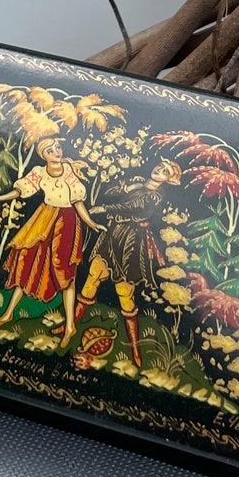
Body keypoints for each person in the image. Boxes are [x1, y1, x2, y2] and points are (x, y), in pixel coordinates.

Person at [0, 138, 101, 345]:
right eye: (50, 150)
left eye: (57, 147)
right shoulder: (39, 172)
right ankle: (9, 313)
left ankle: (70, 326)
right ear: (43, 155)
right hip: (43, 219)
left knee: (65, 272)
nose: (56, 152)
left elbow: (77, 202)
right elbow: (20, 191)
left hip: (66, 222)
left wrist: (91, 223)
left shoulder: (68, 170)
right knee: (27, 262)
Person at [77, 157, 182, 366]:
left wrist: (105, 209)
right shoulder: (137, 181)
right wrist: (127, 185)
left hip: (130, 243)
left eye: (165, 172)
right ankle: (69, 325)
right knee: (91, 279)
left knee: (124, 293)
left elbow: (135, 207)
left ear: (168, 180)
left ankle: (135, 348)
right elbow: (111, 191)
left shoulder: (154, 196)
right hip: (112, 235)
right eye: (160, 166)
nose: (159, 170)